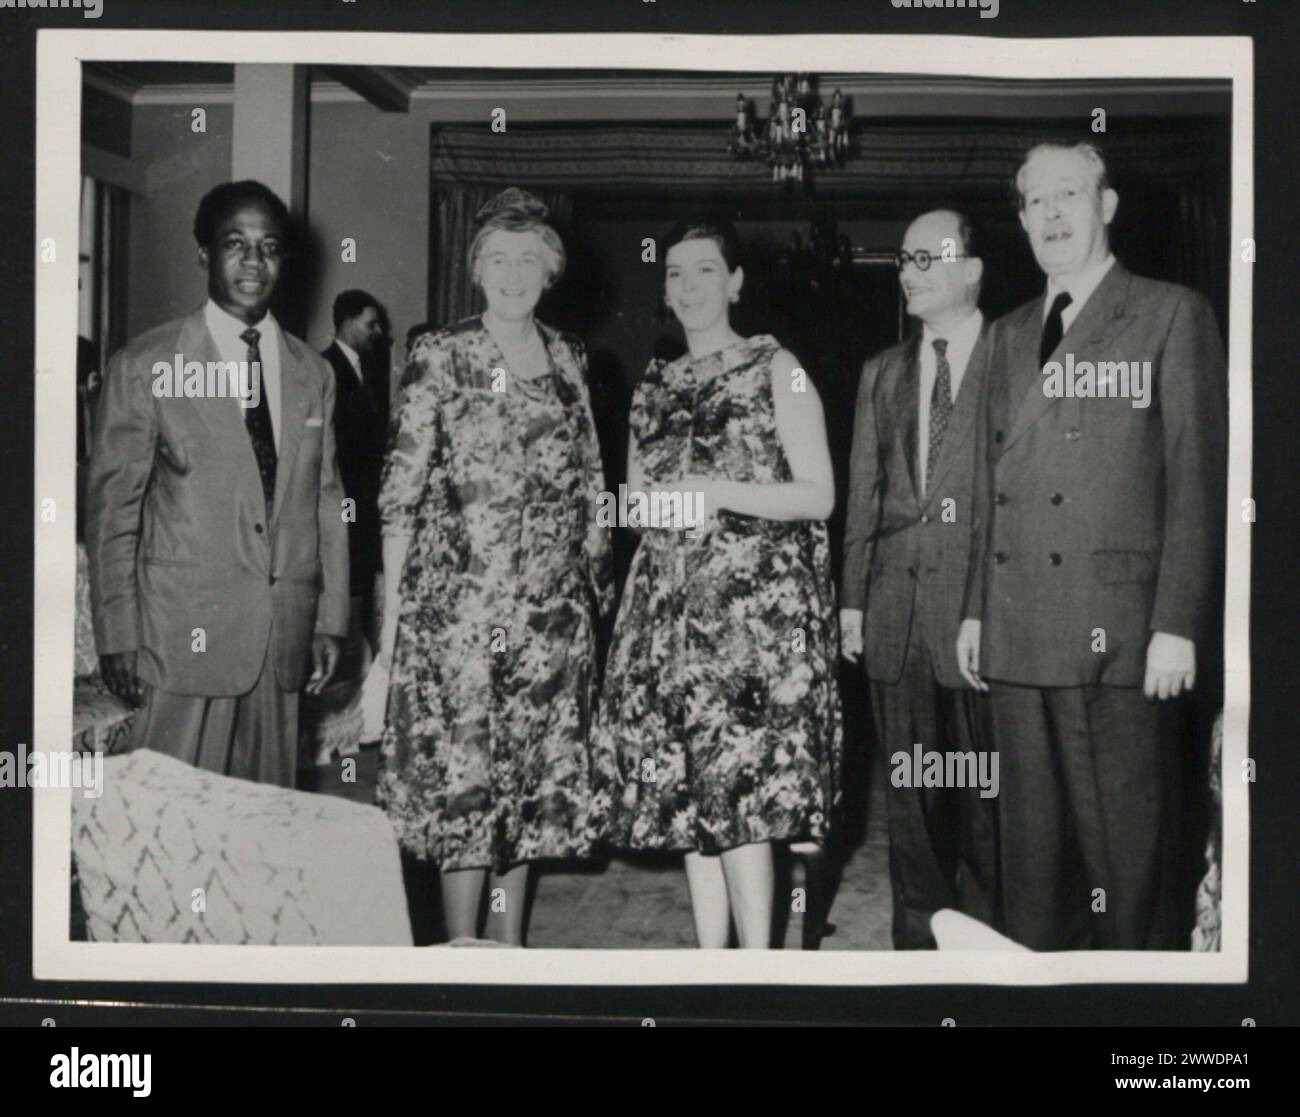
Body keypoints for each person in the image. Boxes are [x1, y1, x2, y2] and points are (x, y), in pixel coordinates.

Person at [956, 142, 1227, 950]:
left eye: (1068, 194)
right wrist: (973, 612)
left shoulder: (1170, 313)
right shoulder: (1004, 335)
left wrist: (1177, 621)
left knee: (1127, 864)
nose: (1051, 215)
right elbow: (982, 493)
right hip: (1015, 633)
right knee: (1032, 866)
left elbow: (1197, 482)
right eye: (1034, 201)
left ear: (1107, 206)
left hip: (1120, 635)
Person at [373, 187, 613, 946]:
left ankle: (508, 948)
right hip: (464, 617)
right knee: (467, 788)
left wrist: (593, 600)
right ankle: (461, 952)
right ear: (476, 270)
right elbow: (398, 499)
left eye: (529, 259)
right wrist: (389, 634)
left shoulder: (571, 355)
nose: (514, 273)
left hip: (552, 618)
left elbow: (592, 485)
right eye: (499, 259)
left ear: (551, 270)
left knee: (531, 790)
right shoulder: (440, 354)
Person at [597, 216, 842, 949]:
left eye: (705, 270)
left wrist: (718, 490)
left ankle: (756, 975)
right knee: (688, 803)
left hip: (754, 627)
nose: (689, 287)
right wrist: (669, 501)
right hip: (669, 617)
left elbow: (818, 494)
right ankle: (711, 968)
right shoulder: (655, 386)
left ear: (736, 281)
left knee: (743, 806)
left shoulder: (778, 366)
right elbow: (639, 505)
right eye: (675, 273)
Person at [86, 180, 348, 788]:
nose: (254, 262)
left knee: (258, 831)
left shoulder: (313, 373)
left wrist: (331, 617)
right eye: (235, 244)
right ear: (205, 253)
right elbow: (112, 513)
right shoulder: (146, 365)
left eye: (270, 247)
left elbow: (328, 502)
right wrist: (118, 634)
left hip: (281, 635)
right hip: (180, 635)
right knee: (166, 821)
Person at [841, 209, 998, 949]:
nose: (909, 271)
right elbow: (864, 495)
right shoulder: (882, 370)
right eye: (903, 258)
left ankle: (988, 946)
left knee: (987, 799)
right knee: (909, 799)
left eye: (927, 257)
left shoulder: (1016, 355)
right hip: (895, 612)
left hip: (980, 613)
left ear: (971, 269)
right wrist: (851, 601)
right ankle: (918, 953)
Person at [323, 289, 389, 650]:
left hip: (362, 500)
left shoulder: (366, 370)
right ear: (348, 323)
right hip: (344, 496)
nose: (377, 332)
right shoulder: (326, 368)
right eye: (370, 324)